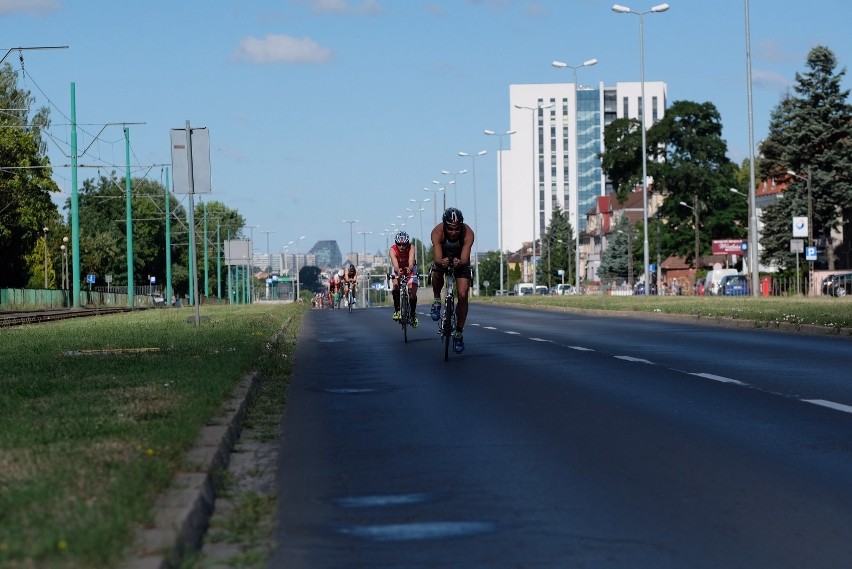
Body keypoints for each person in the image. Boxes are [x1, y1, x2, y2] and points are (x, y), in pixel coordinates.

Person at [430, 207, 474, 354]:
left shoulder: (468, 233)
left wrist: (459, 262)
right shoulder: (437, 232)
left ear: (461, 225)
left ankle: (459, 333)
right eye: (450, 229)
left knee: (462, 294)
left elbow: (465, 258)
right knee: (436, 271)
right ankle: (437, 300)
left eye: (456, 229)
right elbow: (437, 257)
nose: (453, 232)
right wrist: (440, 262)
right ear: (444, 225)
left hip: (460, 260)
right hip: (442, 257)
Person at [388, 230, 419, 328]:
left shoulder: (411, 247)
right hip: (398, 269)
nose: (401, 247)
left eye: (404, 245)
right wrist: (398, 271)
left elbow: (411, 261)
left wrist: (409, 269)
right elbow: (395, 264)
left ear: (407, 243)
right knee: (396, 286)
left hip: (410, 269)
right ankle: (397, 310)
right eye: (399, 244)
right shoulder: (392, 250)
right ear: (396, 243)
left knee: (412, 294)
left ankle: (413, 315)